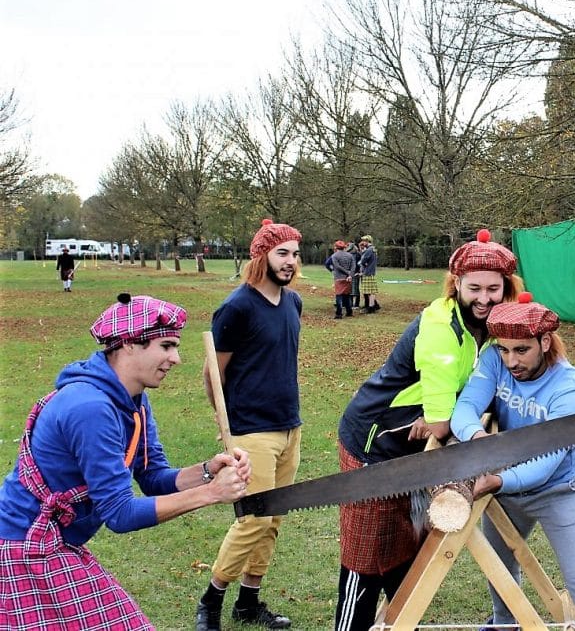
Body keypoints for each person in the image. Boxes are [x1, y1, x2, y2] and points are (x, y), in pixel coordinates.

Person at [0, 294, 251, 629]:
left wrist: (208, 471)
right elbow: (119, 514)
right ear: (129, 344)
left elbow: (153, 477)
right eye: (166, 346)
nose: (176, 359)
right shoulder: (90, 408)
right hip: (22, 548)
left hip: (59, 544)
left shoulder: (135, 401)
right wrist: (211, 493)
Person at [335, 229, 521, 631]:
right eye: (474, 289)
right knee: (365, 560)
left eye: (493, 289)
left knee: (404, 550)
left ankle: (403, 623)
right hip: (375, 443)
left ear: (506, 287)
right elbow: (439, 423)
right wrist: (448, 417)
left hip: (416, 451)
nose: (484, 298)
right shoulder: (440, 327)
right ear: (456, 285)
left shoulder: (489, 328)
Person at [451, 293, 575, 630]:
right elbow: (465, 407)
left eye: (521, 350)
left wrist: (497, 481)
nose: (511, 361)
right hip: (505, 491)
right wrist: (477, 437)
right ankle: (505, 625)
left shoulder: (569, 387)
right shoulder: (493, 359)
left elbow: (546, 464)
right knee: (499, 571)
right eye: (504, 349)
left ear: (544, 342)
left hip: (559, 491)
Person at [195, 218, 304, 631]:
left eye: (295, 254)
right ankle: (210, 601)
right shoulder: (237, 307)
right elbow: (213, 373)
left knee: (273, 520)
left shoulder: (293, 303)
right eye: (282, 253)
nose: (290, 261)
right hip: (251, 429)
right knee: (253, 519)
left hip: (289, 426)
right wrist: (226, 422)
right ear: (261, 256)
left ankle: (248, 602)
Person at [326, 240, 356, 319]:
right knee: (347, 295)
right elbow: (353, 266)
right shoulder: (350, 255)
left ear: (336, 247)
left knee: (339, 295)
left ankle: (339, 314)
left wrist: (347, 272)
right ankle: (349, 312)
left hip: (339, 277)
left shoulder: (334, 256)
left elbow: (337, 266)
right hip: (348, 278)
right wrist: (350, 274)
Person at [357, 235, 380, 313]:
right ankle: (373, 306)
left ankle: (371, 308)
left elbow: (363, 260)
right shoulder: (373, 249)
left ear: (367, 241)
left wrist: (362, 264)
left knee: (369, 292)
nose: (363, 243)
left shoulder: (369, 250)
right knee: (371, 291)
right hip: (371, 272)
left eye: (364, 241)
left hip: (367, 272)